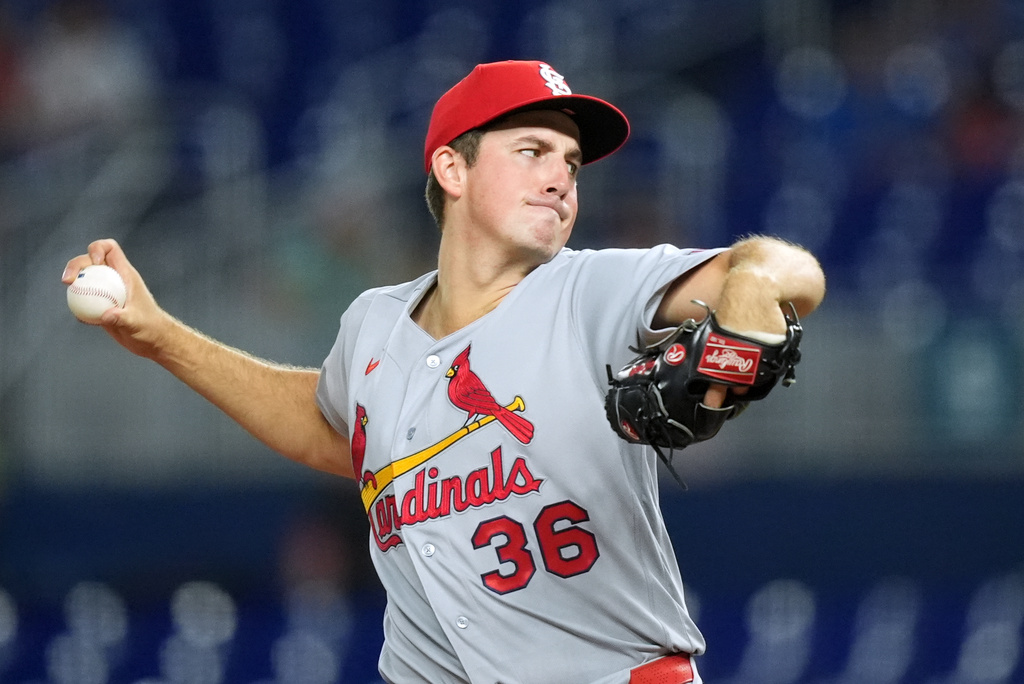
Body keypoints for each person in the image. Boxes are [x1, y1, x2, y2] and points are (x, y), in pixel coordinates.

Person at [63, 60, 826, 684]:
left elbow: (786, 269)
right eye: (532, 151)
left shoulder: (594, 289)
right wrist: (161, 337)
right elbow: (332, 431)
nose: (562, 177)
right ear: (451, 168)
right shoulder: (372, 324)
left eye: (570, 162)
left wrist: (754, 287)